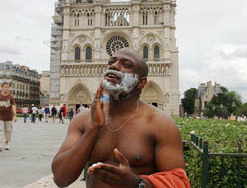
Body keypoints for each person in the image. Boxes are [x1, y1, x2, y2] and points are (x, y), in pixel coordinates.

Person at [52, 48, 190, 188]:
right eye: (111, 62)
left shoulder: (160, 124)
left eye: (126, 65)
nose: (114, 66)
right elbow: (61, 178)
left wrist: (137, 184)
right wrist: (93, 129)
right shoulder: (83, 120)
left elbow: (179, 183)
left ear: (141, 82)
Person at [0, 82, 17, 151]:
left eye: (7, 87)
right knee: (0, 130)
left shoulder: (11, 97)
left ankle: (6, 144)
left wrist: (15, 115)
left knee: (8, 130)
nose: (6, 88)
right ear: (2, 88)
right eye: (5, 87)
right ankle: (0, 145)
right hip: (0, 116)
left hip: (8, 116)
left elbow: (13, 106)